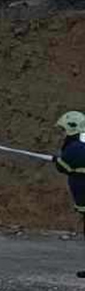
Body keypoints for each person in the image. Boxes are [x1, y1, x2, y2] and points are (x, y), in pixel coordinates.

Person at [51, 110, 85, 276]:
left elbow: (64, 167)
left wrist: (56, 160)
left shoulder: (75, 147)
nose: (63, 133)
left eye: (64, 129)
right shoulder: (82, 142)